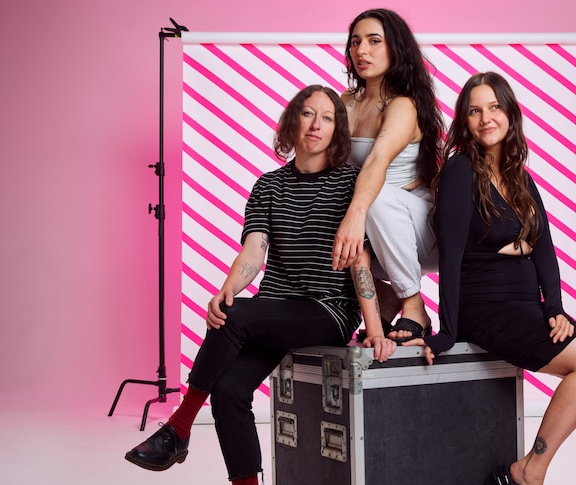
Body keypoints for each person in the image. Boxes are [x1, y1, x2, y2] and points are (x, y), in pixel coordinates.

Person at [124, 85, 397, 485]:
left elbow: (361, 259)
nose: (316, 124)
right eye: (307, 114)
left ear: (338, 129)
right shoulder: (269, 186)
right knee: (229, 391)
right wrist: (227, 289)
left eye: (327, 117)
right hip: (275, 310)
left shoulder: (349, 185)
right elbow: (254, 253)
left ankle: (179, 427)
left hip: (328, 308)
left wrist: (373, 329)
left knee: (238, 316)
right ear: (292, 122)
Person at [404, 72, 576, 485]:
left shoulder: (518, 176)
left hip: (526, 307)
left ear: (510, 113)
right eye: (474, 110)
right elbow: (452, 257)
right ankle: (529, 470)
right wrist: (449, 330)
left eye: (494, 107)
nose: (485, 117)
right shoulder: (459, 172)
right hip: (487, 309)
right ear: (464, 121)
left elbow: (544, 248)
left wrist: (555, 308)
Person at [332, 8, 444, 342]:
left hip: (420, 232)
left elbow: (377, 162)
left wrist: (354, 216)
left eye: (373, 41)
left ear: (395, 48)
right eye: (355, 42)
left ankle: (413, 304)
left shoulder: (402, 105)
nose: (361, 51)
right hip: (374, 236)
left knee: (374, 195)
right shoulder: (346, 102)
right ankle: (388, 293)